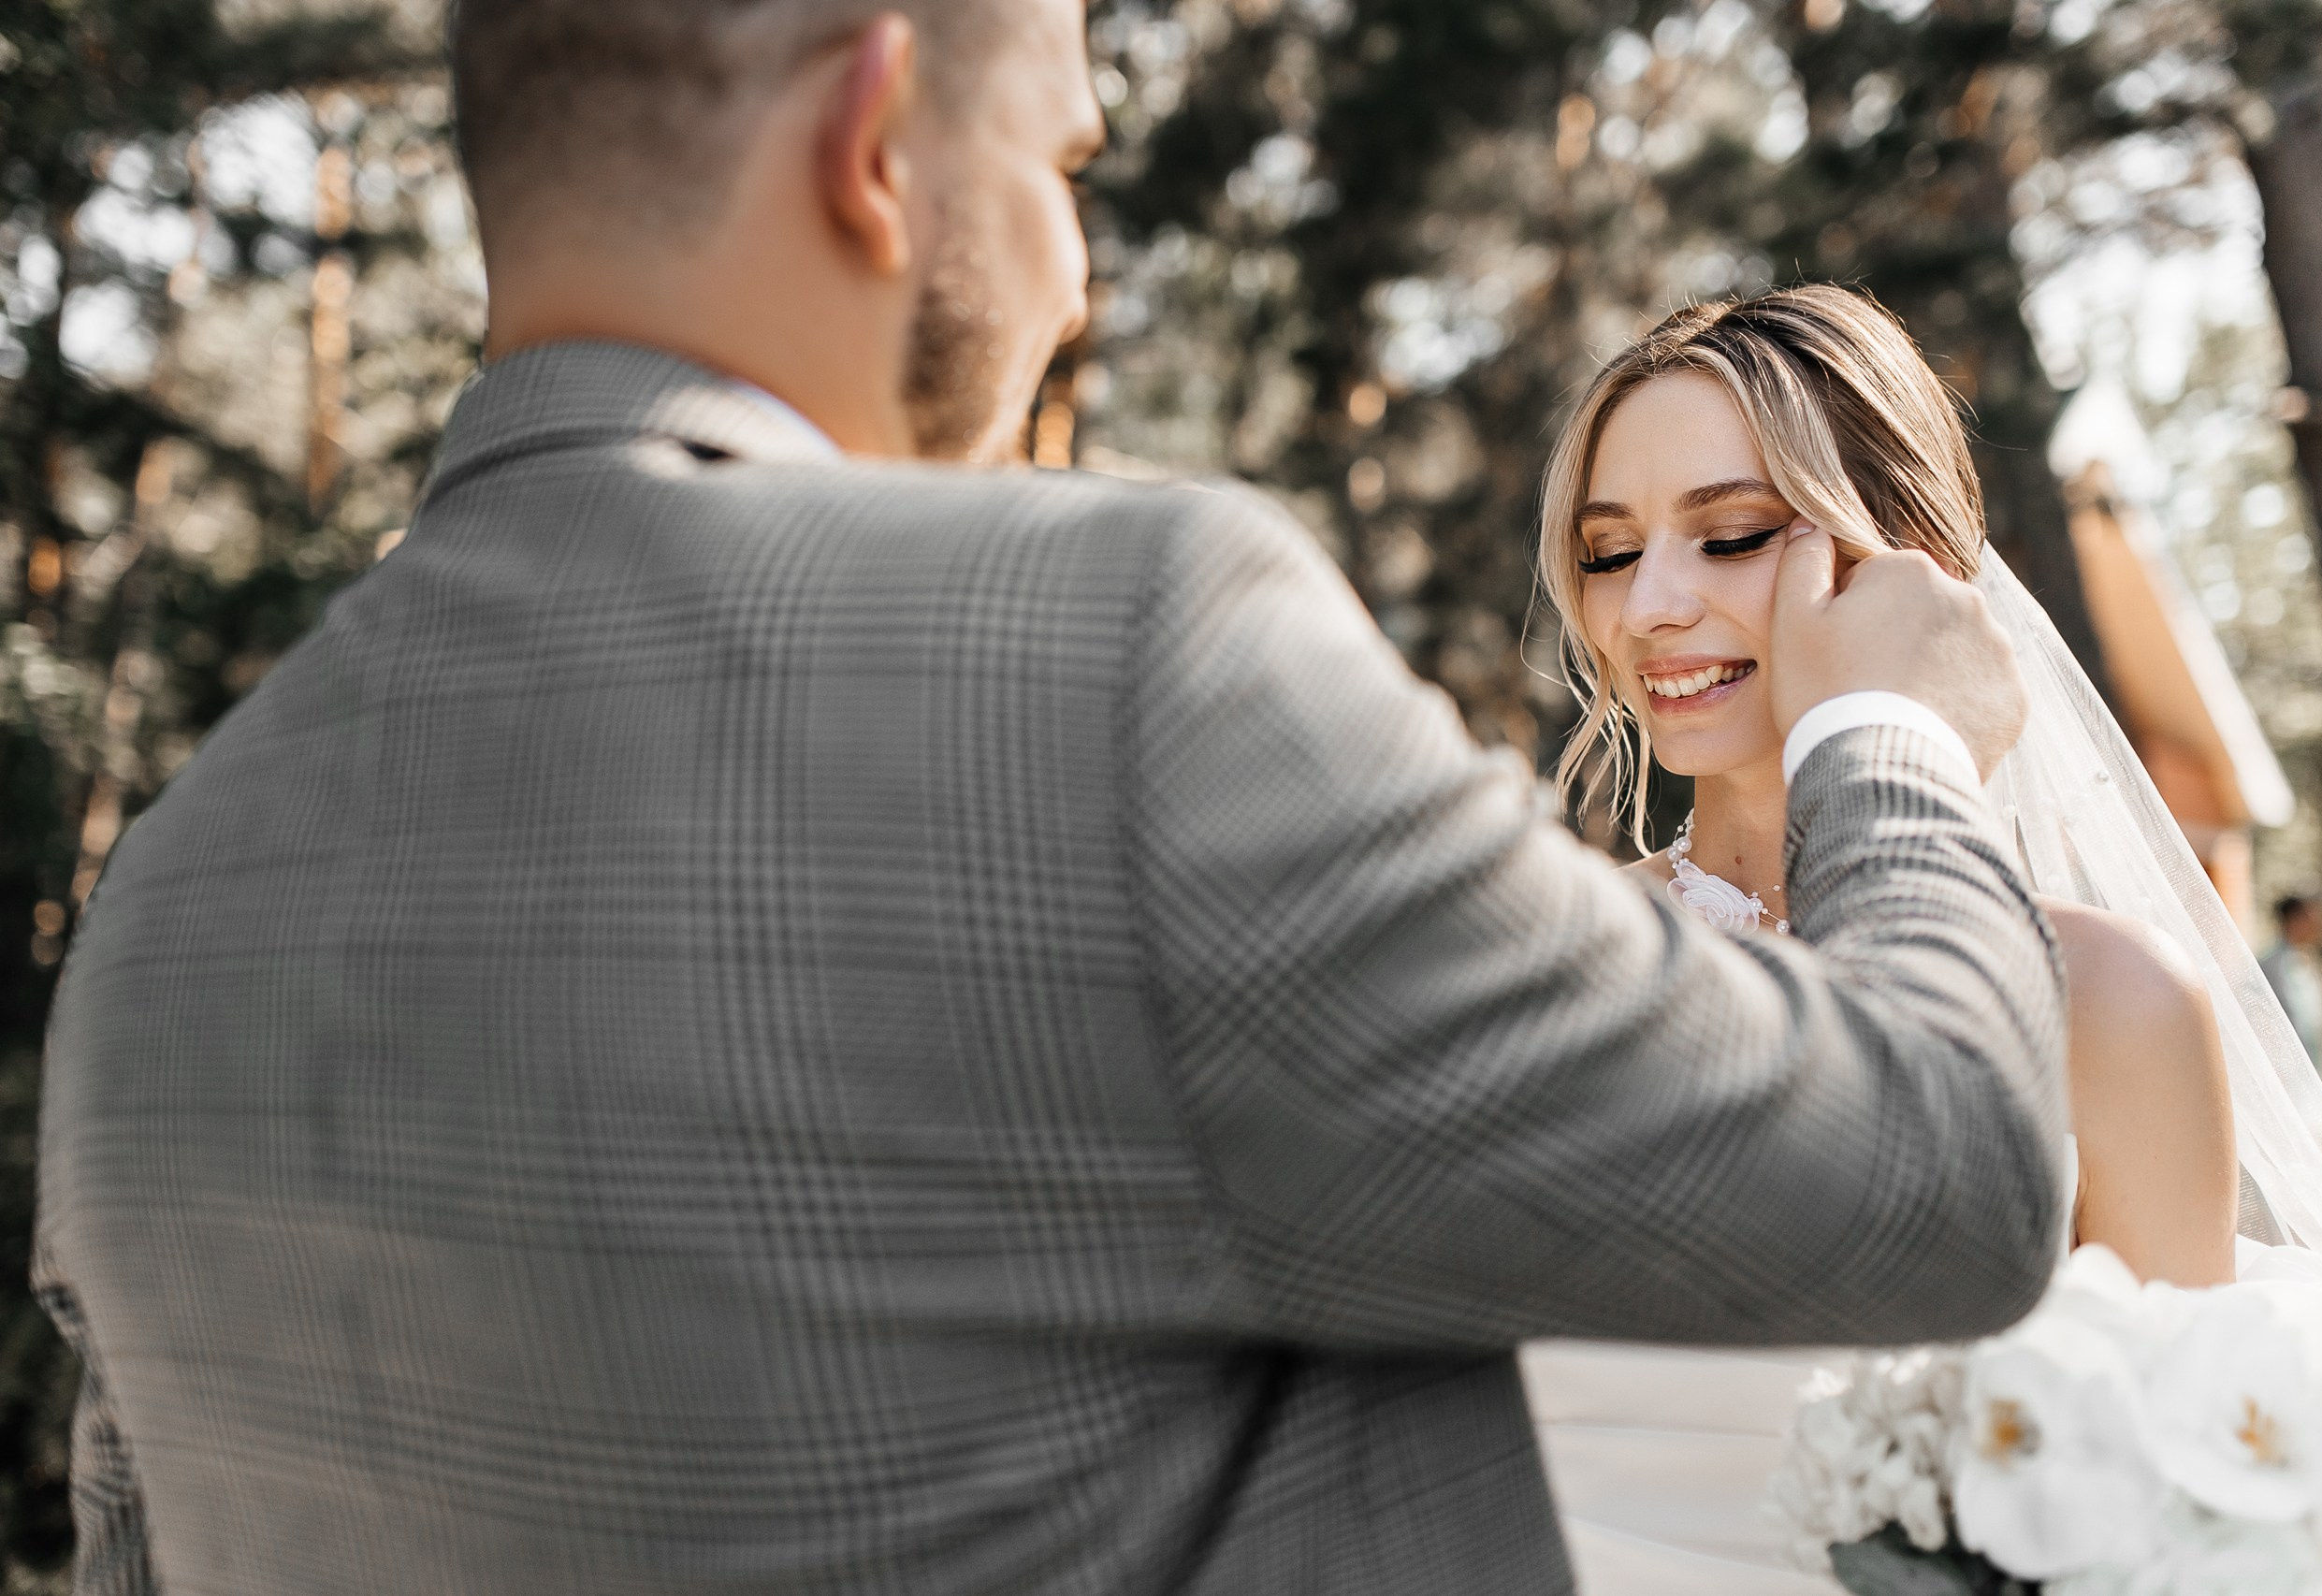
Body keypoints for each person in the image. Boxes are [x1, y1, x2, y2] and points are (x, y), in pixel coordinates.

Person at [33, 8, 2065, 1596]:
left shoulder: (166, 905)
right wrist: (1876, 740)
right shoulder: (1117, 651)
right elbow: (1942, 1175)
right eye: (1063, 159)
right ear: (876, 144)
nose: (1073, 271)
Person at [1522, 286, 2322, 1592]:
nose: (1650, 604)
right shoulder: (1547, 966)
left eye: (1733, 534)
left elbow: (2186, 1528)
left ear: (1908, 565)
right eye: (1608, 551)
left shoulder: (2106, 999)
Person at [2261, 892, 2322, 1073]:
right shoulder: (2271, 965)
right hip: (2287, 1064)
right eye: (2308, 917)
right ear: (2293, 920)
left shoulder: (2304, 961)